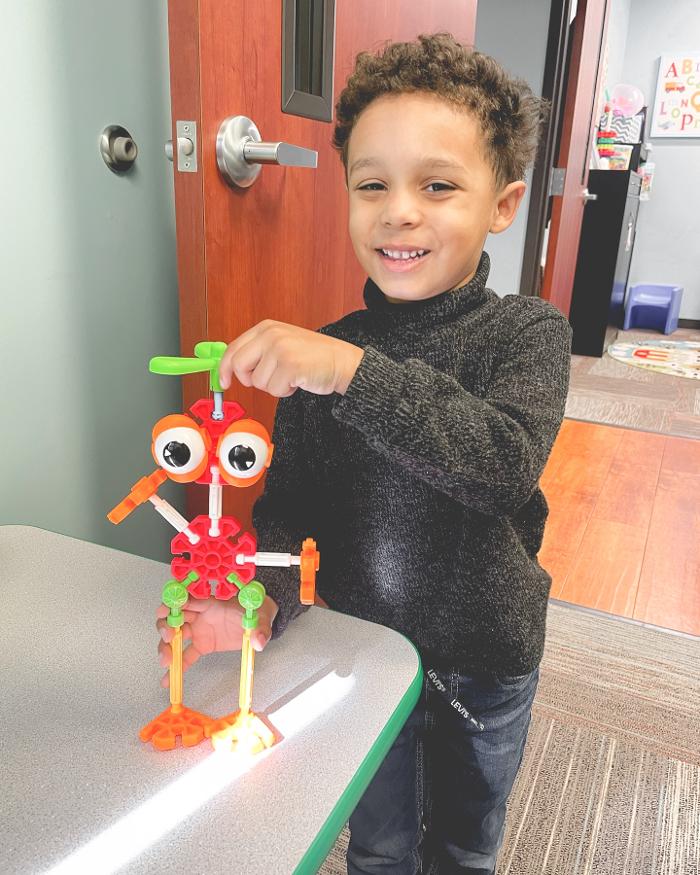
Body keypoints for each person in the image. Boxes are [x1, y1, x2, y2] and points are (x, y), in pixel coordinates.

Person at [157, 33, 572, 875]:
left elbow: (499, 466)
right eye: (372, 184)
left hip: (485, 660)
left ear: (503, 204)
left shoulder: (527, 333)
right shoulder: (327, 354)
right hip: (361, 647)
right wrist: (262, 603)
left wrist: (352, 373)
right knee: (378, 844)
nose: (399, 211)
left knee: (465, 845)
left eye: (438, 185)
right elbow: (288, 508)